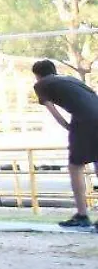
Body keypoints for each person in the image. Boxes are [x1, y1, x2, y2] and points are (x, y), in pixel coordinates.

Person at [31, 61, 98, 229]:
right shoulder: (71, 79)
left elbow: (53, 111)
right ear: (54, 71)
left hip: (85, 119)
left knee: (75, 166)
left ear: (37, 75)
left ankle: (82, 215)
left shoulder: (41, 85)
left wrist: (68, 127)